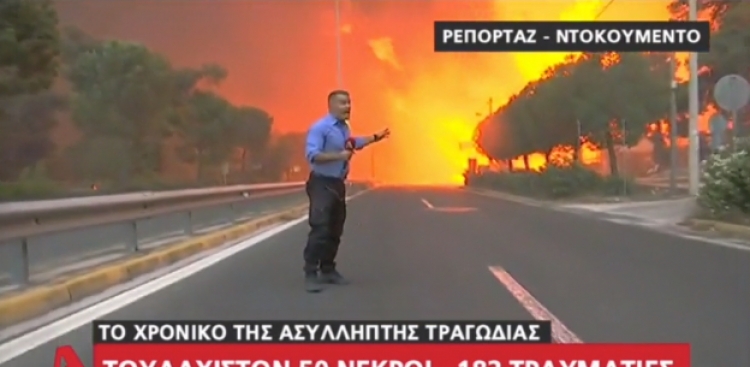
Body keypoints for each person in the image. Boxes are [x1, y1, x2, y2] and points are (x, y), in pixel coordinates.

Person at [303, 90, 390, 292]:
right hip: (321, 184)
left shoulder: (343, 128)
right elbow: (312, 155)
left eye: (349, 102)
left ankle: (328, 269)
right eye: (343, 103)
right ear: (331, 105)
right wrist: (340, 156)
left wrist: (376, 137)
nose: (348, 106)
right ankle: (310, 273)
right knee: (320, 228)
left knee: (335, 230)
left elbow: (353, 143)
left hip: (337, 184)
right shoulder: (320, 128)